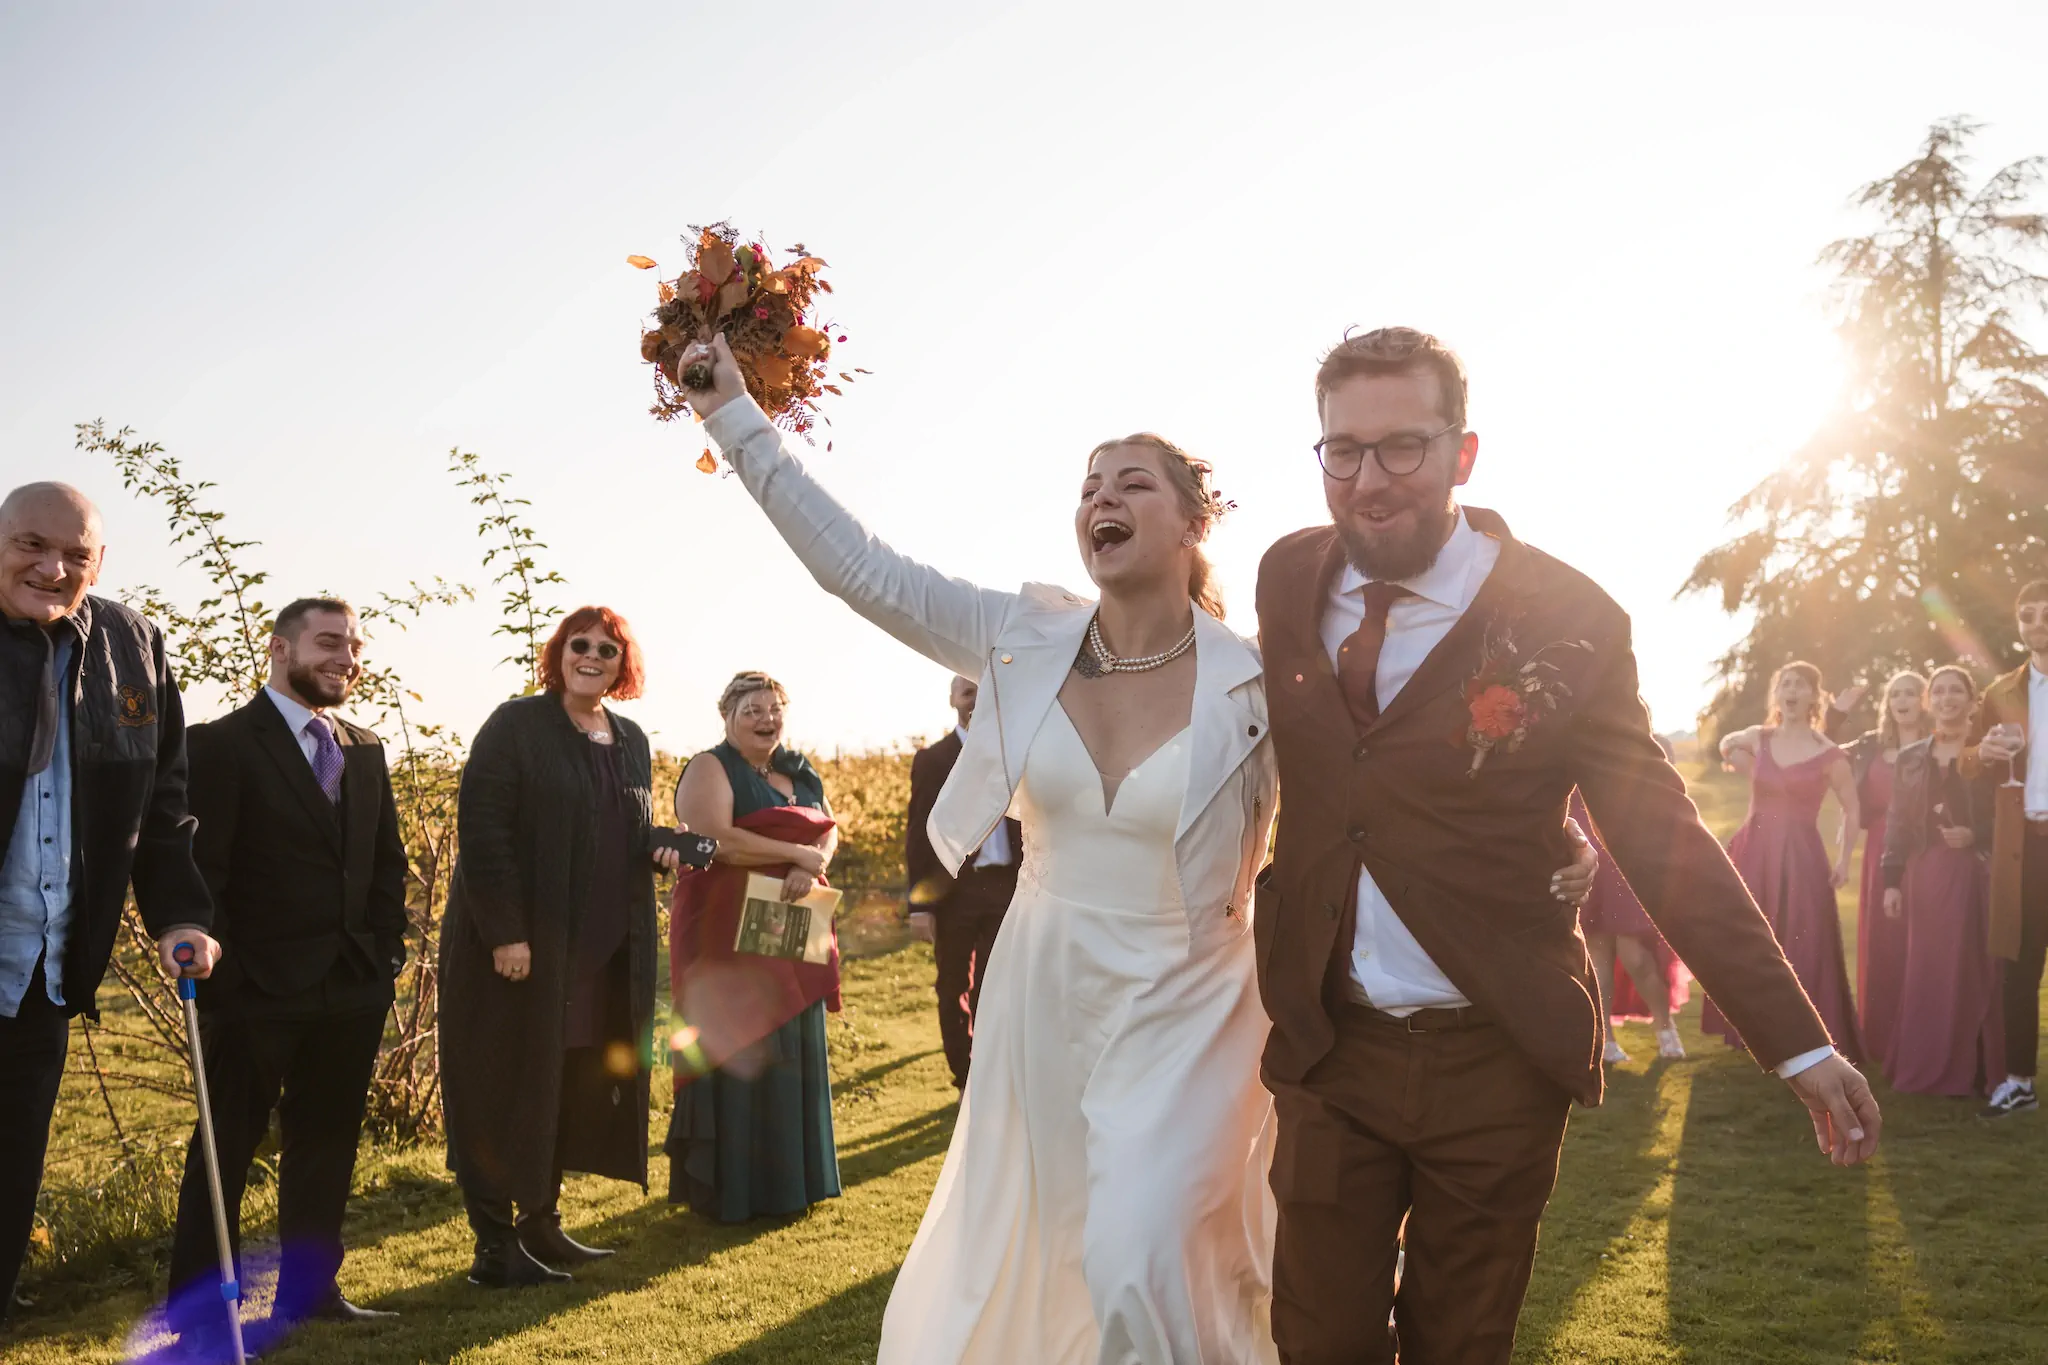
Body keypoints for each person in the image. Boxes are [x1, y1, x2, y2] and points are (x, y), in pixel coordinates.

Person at [677, 334, 1599, 1364]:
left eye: (1129, 483)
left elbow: (1387, 782)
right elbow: (856, 569)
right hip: (1045, 982)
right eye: (1085, 487)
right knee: (1047, 1250)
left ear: (1193, 520)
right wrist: (732, 416)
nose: (1097, 500)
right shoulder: (1019, 637)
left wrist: (1545, 831)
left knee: (1140, 1252)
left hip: (1194, 994)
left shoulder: (1258, 679)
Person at [1254, 328, 1880, 1364]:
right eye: (1341, 450)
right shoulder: (1287, 578)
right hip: (1329, 1050)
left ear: (1463, 453)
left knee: (1462, 1345)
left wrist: (1796, 1042)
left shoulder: (1568, 618)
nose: (1367, 481)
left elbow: (1657, 831)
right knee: (1317, 1345)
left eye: (1401, 447)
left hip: (1495, 1055)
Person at [0, 482, 219, 1322]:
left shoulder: (134, 646)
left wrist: (182, 915)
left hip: (41, 984)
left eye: (76, 555)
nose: (53, 568)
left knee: (7, 1203)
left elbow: (162, 811)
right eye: (29, 544)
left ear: (101, 562)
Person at [165, 599, 408, 1350]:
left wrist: (386, 956)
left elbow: (384, 866)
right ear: (278, 648)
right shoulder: (223, 744)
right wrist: (228, 977)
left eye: (355, 645)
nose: (348, 656)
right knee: (226, 1147)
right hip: (255, 989)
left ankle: (309, 1293)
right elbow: (204, 871)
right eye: (330, 641)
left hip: (352, 982)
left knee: (328, 1140)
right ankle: (202, 1309)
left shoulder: (364, 746)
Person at [439, 607, 684, 1287]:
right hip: (519, 951)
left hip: (598, 955)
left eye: (609, 649)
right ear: (559, 652)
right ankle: (494, 1246)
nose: (594, 656)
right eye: (581, 644)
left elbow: (618, 829)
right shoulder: (515, 726)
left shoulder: (630, 738)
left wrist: (659, 846)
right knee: (499, 1081)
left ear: (622, 663)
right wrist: (506, 932)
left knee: (561, 1084)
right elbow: (482, 831)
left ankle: (540, 1222)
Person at [664, 671, 844, 1222]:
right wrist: (795, 858)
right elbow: (715, 840)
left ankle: (794, 1184)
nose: (766, 719)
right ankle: (737, 1191)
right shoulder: (710, 767)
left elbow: (826, 831)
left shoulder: (798, 769)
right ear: (727, 717)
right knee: (741, 1043)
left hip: (791, 916)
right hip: (727, 928)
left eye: (773, 709)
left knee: (793, 1038)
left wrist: (813, 864)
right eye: (752, 711)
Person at [1704, 662, 1864, 1062]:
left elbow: (1852, 809)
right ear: (1777, 696)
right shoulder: (1760, 737)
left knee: (1805, 942)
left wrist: (1843, 860)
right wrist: (1736, 756)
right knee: (1752, 939)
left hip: (1802, 856)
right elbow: (1727, 743)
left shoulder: (1828, 754)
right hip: (1754, 850)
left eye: (1799, 685)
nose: (1791, 690)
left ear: (1813, 695)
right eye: (1784, 684)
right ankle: (1757, 1030)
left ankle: (1810, 1037)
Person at [1880, 665, 2000, 1096]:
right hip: (1927, 874)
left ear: (1972, 701)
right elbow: (1896, 821)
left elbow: (2011, 811)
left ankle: (1977, 1071)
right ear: (1930, 701)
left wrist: (1976, 835)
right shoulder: (1912, 757)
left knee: (1974, 968)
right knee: (1928, 970)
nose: (1948, 698)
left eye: (1957, 691)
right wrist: (1891, 880)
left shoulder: (1990, 753)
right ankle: (1926, 1066)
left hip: (1978, 872)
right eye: (1941, 691)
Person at [906, 677, 1020, 1090]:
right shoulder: (933, 760)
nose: (976, 700)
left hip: (1009, 887)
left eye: (984, 691)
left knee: (996, 986)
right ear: (952, 699)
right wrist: (919, 906)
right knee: (952, 983)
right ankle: (964, 1078)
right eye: (967, 692)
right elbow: (919, 836)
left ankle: (992, 1077)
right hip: (954, 891)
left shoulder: (1017, 751)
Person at [1964, 578, 2048, 1118]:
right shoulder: (1999, 693)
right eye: (2028, 614)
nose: (2037, 621)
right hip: (2027, 848)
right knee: (2019, 968)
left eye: (2046, 612)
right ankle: (2020, 1082)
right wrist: (1984, 751)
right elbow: (1967, 763)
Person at [1843, 671, 1929, 1070]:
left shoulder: (1939, 744)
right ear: (1887, 703)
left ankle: (1923, 1033)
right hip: (1881, 851)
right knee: (1885, 941)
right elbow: (1818, 749)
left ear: (1924, 701)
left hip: (1927, 849)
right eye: (1895, 693)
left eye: (1911, 693)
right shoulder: (1868, 747)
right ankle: (1880, 1035)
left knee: (1924, 941)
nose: (1903, 700)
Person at [1568, 792, 1687, 1064]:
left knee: (1636, 956)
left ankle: (1665, 1026)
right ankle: (1605, 1038)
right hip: (1582, 848)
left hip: (1623, 849)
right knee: (1597, 958)